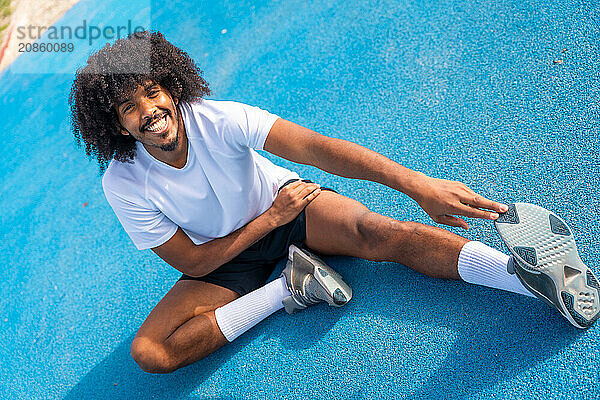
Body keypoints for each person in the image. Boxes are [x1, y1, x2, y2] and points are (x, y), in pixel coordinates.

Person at [69, 31, 599, 374]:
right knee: (151, 354)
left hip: (290, 208)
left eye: (151, 92)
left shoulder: (220, 118)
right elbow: (193, 262)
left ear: (169, 85)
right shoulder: (122, 183)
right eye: (127, 108)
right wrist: (268, 221)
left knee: (381, 233)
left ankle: (529, 276)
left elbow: (321, 151)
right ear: (114, 125)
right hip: (225, 253)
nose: (149, 111)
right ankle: (286, 289)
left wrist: (415, 184)